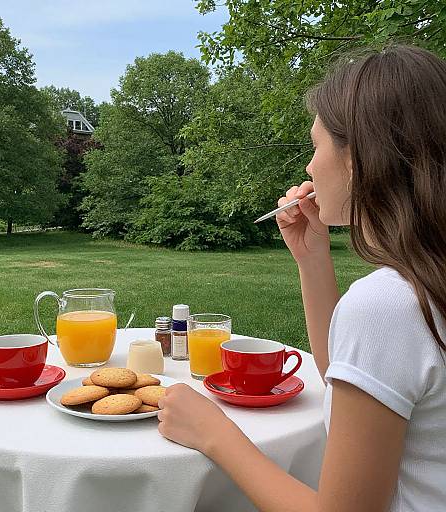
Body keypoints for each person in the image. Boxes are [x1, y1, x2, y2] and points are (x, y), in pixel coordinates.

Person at [156, 44, 446, 512]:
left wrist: (214, 433)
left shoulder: (389, 303)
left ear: (358, 158)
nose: (310, 166)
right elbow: (359, 383)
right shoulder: (423, 285)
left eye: (316, 146)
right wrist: (313, 261)